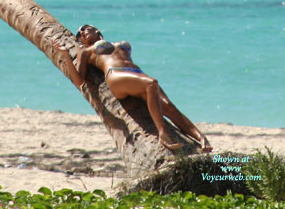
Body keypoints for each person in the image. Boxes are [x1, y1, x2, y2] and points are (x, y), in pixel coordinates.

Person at [55, 25, 211, 152]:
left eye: (84, 28)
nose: (82, 31)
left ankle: (201, 138)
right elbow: (79, 80)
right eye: (80, 33)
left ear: (96, 30)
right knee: (152, 83)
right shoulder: (85, 51)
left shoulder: (115, 43)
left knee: (169, 107)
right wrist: (65, 55)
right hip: (116, 75)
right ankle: (163, 133)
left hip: (137, 74)